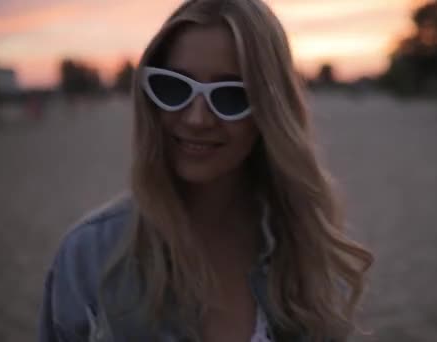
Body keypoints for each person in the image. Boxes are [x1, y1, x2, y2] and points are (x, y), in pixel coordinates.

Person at [38, 0, 373, 341]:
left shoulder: (305, 249)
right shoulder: (91, 254)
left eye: (231, 96)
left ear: (270, 112)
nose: (197, 118)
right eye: (174, 88)